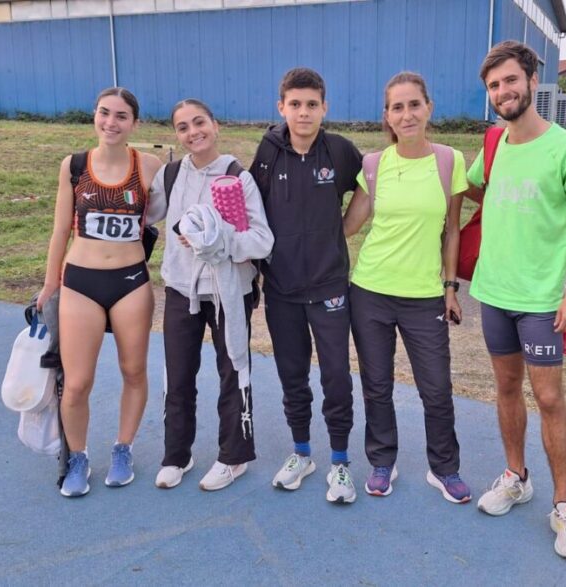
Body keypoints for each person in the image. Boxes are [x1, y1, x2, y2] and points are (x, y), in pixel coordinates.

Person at [469, 41, 566, 559]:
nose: (503, 91)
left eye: (510, 81)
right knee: (505, 389)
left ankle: (565, 506)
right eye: (494, 86)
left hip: (544, 300)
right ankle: (515, 477)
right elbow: (474, 186)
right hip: (494, 293)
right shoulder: (495, 144)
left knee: (548, 398)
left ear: (530, 82)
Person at [343, 72, 471, 504]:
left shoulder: (449, 161)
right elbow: (349, 226)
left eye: (414, 104)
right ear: (387, 116)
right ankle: (382, 462)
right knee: (377, 385)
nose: (407, 114)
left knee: (436, 388)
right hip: (370, 290)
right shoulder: (374, 165)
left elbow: (452, 231)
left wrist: (450, 287)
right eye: (397, 107)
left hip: (424, 296)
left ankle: (445, 468)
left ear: (428, 108)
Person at [38, 87, 163, 498]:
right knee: (76, 383)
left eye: (121, 116)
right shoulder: (73, 166)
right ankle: (78, 458)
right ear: (94, 116)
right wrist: (49, 282)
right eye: (104, 113)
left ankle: (123, 449)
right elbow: (60, 229)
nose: (111, 122)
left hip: (130, 282)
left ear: (134, 123)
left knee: (133, 371)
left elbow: (171, 215)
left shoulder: (149, 166)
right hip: (81, 283)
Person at [148, 99, 274, 492]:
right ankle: (176, 456)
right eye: (183, 127)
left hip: (229, 291)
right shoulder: (170, 175)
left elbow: (262, 240)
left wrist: (219, 242)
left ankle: (233, 457)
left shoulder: (238, 177)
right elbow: (143, 213)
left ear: (215, 125)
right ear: (176, 135)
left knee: (232, 371)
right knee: (177, 373)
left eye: (199, 122)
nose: (193, 132)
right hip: (181, 289)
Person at [250, 68, 363, 504]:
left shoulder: (339, 150)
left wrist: (341, 231)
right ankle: (301, 453)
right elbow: (251, 209)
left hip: (330, 287)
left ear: (324, 108)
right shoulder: (268, 151)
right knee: (292, 374)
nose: (303, 112)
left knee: (336, 375)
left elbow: (366, 190)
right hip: (282, 289)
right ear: (281, 107)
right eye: (294, 104)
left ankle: (339, 462)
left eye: (311, 104)